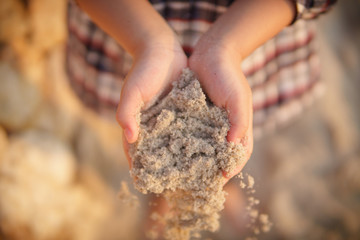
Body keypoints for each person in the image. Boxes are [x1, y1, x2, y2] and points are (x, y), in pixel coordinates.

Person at [66, 0, 336, 236]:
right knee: (147, 129)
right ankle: (166, 190)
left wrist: (226, 47)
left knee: (232, 128)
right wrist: (148, 42)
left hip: (248, 32)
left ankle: (219, 186)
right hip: (128, 27)